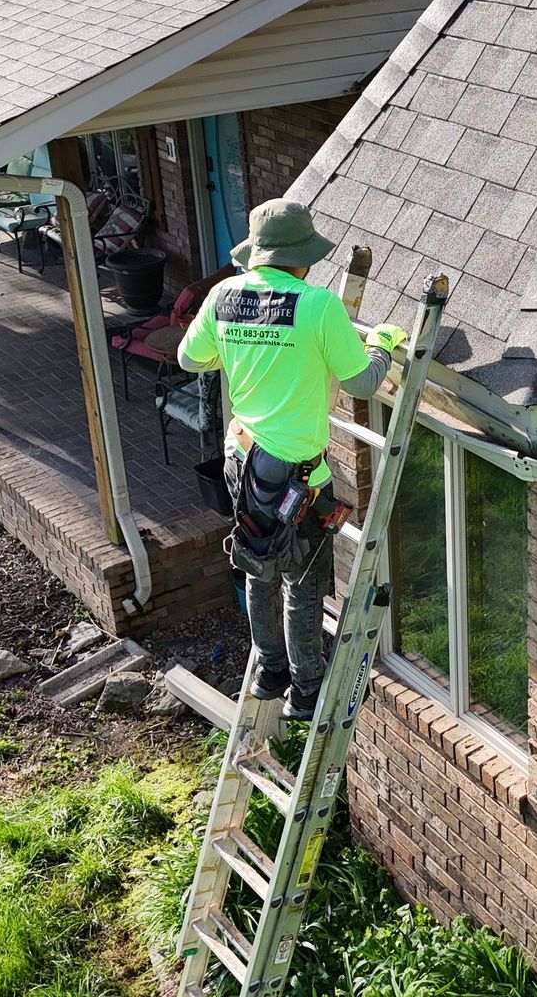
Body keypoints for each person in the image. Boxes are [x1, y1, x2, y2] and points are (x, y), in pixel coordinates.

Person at [178, 198, 405, 720]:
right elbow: (363, 382)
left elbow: (191, 358)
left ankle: (270, 670)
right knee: (302, 582)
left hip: (244, 461)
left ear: (257, 254)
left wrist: (237, 348)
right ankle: (306, 689)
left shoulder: (223, 296)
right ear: (302, 256)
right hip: (300, 478)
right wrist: (385, 347)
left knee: (258, 567)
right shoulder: (318, 306)